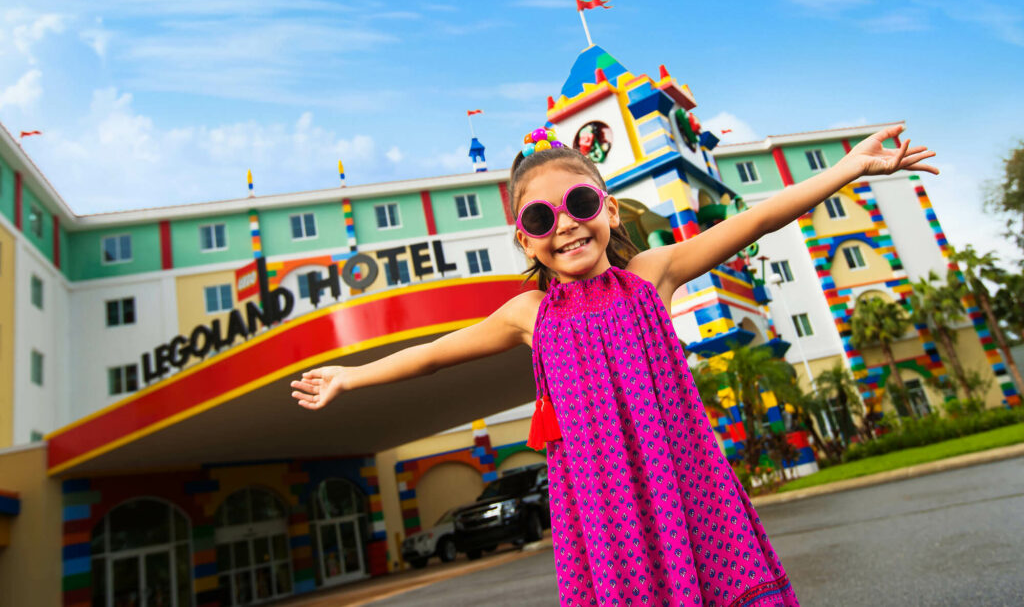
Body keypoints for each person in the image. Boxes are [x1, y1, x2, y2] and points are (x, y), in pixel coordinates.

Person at [290, 124, 937, 605]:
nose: (566, 227)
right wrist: (351, 376)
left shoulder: (652, 275)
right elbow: (431, 355)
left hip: (683, 477)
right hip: (601, 502)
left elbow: (762, 216)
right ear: (524, 237)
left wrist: (850, 168)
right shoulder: (528, 314)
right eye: (542, 218)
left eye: (580, 205)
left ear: (609, 209)